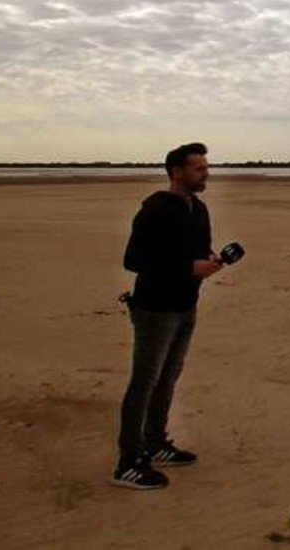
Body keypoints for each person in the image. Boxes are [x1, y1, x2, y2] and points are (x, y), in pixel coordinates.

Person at [113, 142, 222, 490]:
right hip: (154, 309)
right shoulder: (156, 209)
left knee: (168, 379)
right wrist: (190, 267)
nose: (206, 173)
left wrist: (209, 259)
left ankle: (156, 443)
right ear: (177, 172)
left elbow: (196, 250)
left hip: (185, 305)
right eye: (199, 168)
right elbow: (134, 260)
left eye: (206, 167)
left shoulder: (199, 208)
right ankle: (128, 462)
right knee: (143, 384)